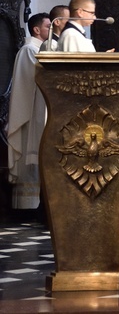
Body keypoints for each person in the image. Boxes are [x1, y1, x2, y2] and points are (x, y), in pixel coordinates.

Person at [5, 12, 50, 213]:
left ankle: (36, 204)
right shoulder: (29, 50)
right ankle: (27, 206)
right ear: (36, 29)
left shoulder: (39, 49)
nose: (51, 31)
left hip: (39, 108)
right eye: (48, 27)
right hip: (31, 112)